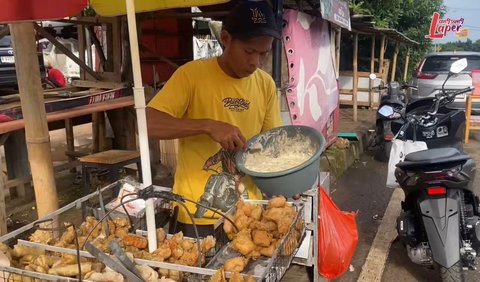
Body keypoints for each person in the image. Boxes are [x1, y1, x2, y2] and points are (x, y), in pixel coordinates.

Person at [146, 0, 282, 237]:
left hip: (248, 214)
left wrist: (285, 183)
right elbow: (147, 123)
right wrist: (206, 125)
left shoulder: (266, 84)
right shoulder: (191, 75)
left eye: (264, 53)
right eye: (249, 51)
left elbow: (271, 146)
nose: (255, 62)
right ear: (226, 39)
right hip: (195, 216)